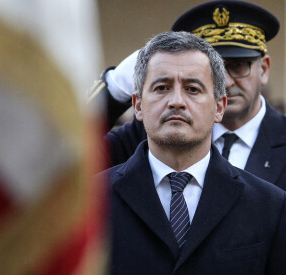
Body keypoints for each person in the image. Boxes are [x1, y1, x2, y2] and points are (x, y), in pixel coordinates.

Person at [102, 30, 286, 275]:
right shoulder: (94, 201)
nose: (176, 101)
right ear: (138, 105)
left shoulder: (270, 206)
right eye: (162, 87)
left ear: (219, 106)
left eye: (193, 89)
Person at [89, 0, 286, 190]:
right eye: (214, 71)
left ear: (264, 68)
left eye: (238, 66)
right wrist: (114, 89)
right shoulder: (153, 132)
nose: (226, 82)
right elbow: (73, 154)